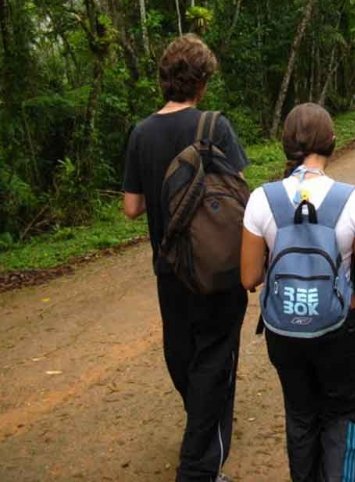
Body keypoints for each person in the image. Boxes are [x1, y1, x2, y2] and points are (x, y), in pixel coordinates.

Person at [123, 34, 249, 482]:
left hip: (169, 268)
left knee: (183, 354)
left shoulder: (141, 132)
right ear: (201, 82)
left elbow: (132, 207)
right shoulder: (214, 126)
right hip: (216, 270)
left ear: (164, 81)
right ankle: (199, 469)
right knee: (215, 361)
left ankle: (199, 434)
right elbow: (236, 197)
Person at [241, 103, 355, 482]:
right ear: (331, 142)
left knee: (300, 414)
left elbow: (248, 276)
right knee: (344, 413)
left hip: (283, 330)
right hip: (341, 330)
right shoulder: (352, 200)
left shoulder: (261, 199)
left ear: (286, 144)